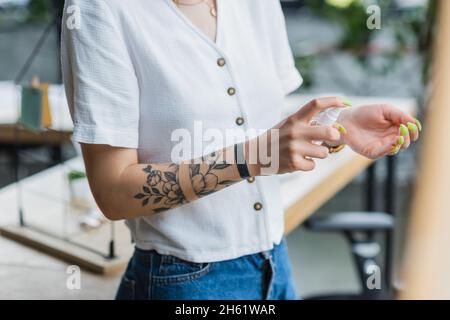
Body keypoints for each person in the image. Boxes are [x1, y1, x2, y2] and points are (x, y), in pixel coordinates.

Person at [61, 0, 421, 300]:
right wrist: (255, 157)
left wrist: (339, 123)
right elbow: (113, 191)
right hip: (184, 280)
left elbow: (254, 115)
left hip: (274, 263)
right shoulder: (99, 9)